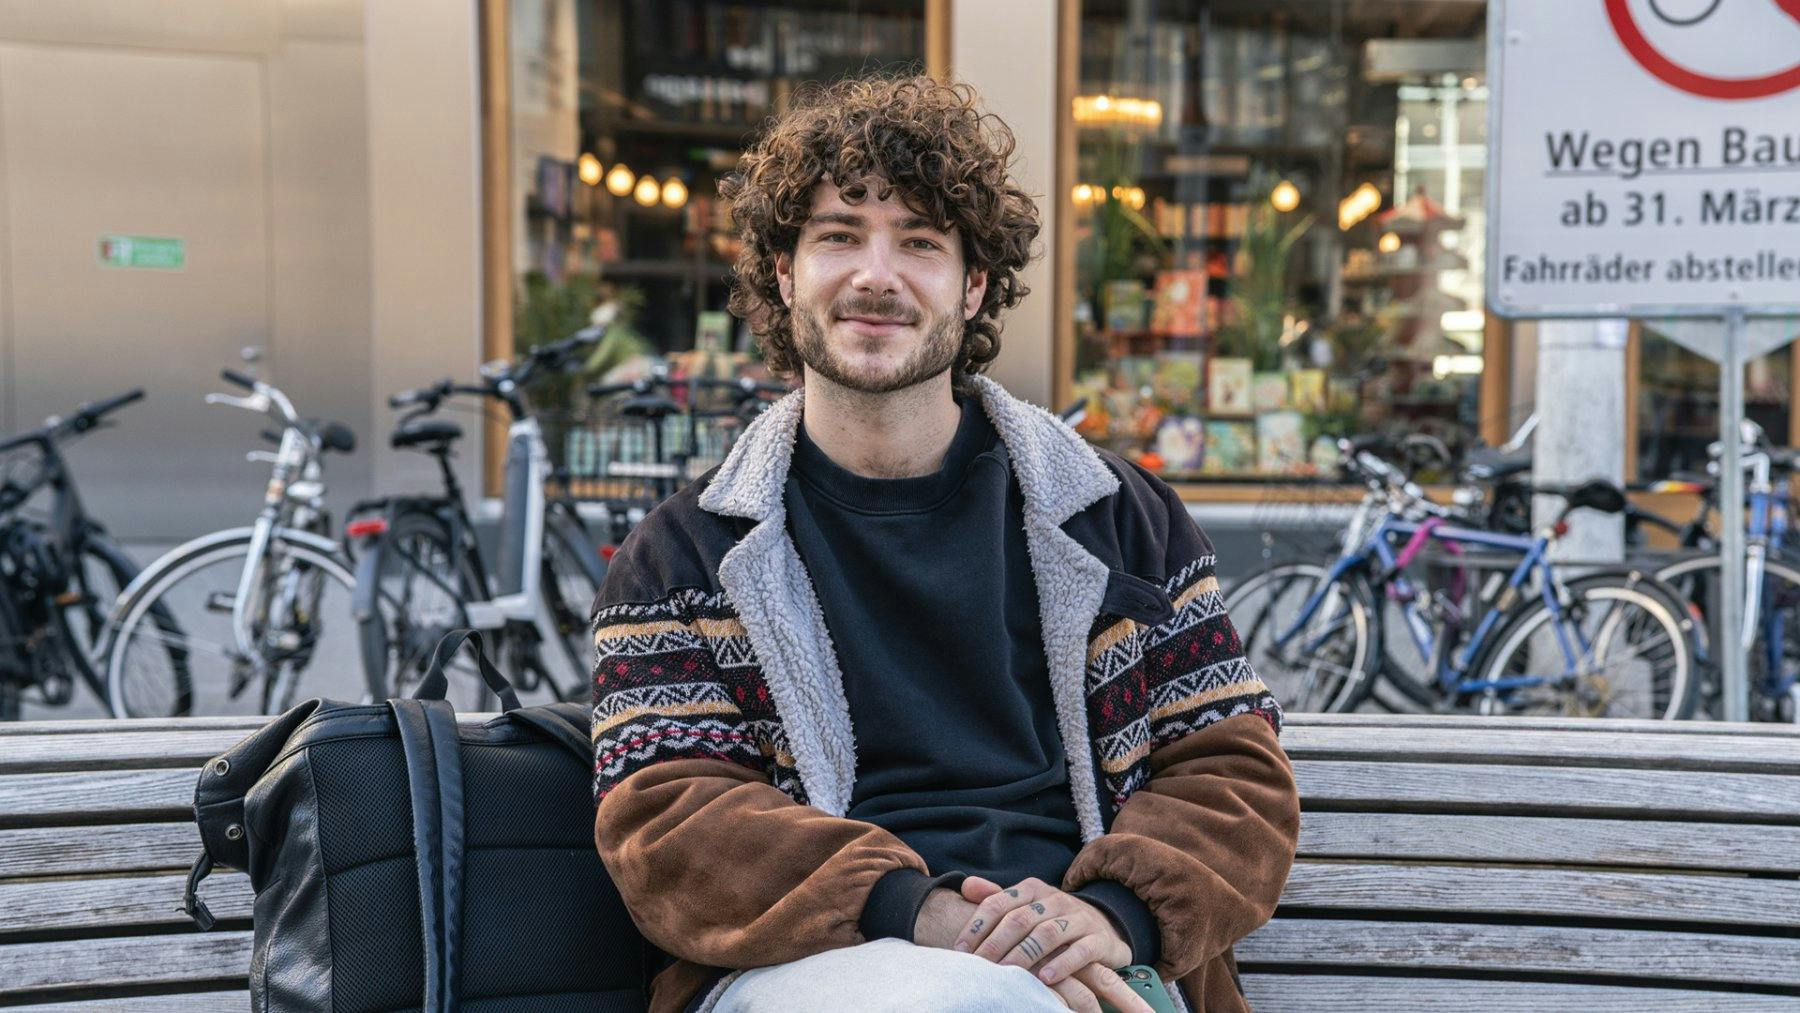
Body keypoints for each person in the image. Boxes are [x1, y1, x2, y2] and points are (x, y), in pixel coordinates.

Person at [590, 75, 1298, 1013]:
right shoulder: (687, 556)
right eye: (838, 234)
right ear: (781, 274)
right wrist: (921, 913)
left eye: (919, 241)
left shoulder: (1115, 517)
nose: (875, 274)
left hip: (1094, 961)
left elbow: (1233, 769)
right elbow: (670, 825)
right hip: (812, 967)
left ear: (971, 287)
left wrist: (1113, 914)